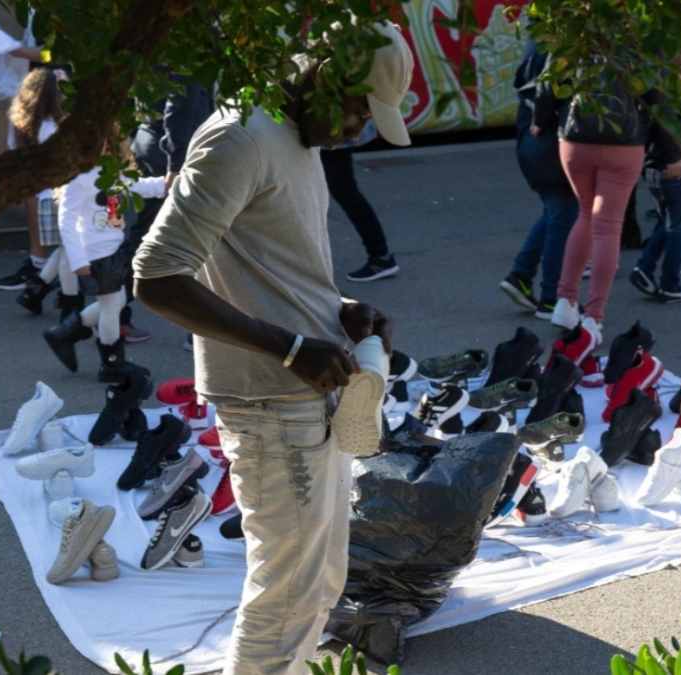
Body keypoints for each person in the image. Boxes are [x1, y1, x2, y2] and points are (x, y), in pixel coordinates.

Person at [133, 22, 412, 675]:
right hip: (269, 405)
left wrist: (340, 309)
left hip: (308, 394)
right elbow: (156, 275)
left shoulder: (294, 136)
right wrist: (289, 347)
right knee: (284, 599)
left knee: (317, 585)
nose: (354, 131)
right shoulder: (242, 137)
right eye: (356, 111)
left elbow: (269, 264)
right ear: (325, 77)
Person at [537, 63, 658, 344]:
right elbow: (656, 94)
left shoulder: (571, 27)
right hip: (624, 139)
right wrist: (672, 150)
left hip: (575, 135)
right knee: (609, 226)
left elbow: (548, 79)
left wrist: (540, 119)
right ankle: (593, 318)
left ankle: (565, 303)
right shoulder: (638, 38)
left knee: (585, 214)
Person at [41, 137, 167, 382]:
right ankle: (112, 364)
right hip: (95, 254)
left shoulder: (110, 173)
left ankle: (65, 332)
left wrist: (168, 183)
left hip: (111, 251)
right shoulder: (78, 179)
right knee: (111, 307)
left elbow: (138, 185)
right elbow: (66, 222)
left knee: (117, 301)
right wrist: (78, 260)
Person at [121, 78, 213, 342]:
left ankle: (111, 314)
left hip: (151, 143)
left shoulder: (153, 42)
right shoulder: (189, 45)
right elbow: (179, 105)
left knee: (145, 234)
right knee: (196, 238)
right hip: (173, 153)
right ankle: (199, 332)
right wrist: (176, 163)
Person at [500, 42, 579, 319]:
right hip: (551, 149)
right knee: (562, 217)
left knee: (553, 213)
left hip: (532, 148)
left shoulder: (538, 53)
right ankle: (551, 297)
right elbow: (550, 96)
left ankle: (521, 275)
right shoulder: (563, 53)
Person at [630, 58, 681, 303]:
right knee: (677, 231)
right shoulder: (672, 102)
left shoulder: (650, 95)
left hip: (654, 170)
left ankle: (645, 267)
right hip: (675, 170)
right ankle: (670, 283)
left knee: (668, 223)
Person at [7, 68, 74, 315]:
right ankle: (66, 303)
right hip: (63, 196)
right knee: (70, 250)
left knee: (66, 249)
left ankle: (36, 290)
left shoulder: (22, 126)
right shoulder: (57, 126)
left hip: (42, 198)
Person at [321, 121, 399, 282]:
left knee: (345, 192)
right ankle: (381, 256)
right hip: (331, 129)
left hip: (330, 128)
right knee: (344, 192)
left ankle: (381, 256)